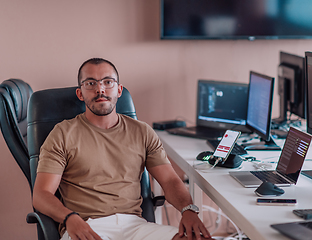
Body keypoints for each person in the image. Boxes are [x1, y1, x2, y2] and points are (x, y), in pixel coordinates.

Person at [32, 58, 213, 240]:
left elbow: (170, 181)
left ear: (119, 90)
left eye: (108, 82)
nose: (100, 89)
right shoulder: (63, 134)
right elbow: (41, 195)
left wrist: (188, 209)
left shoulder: (142, 132)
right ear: (80, 94)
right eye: (90, 83)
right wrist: (70, 218)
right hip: (87, 227)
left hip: (136, 227)